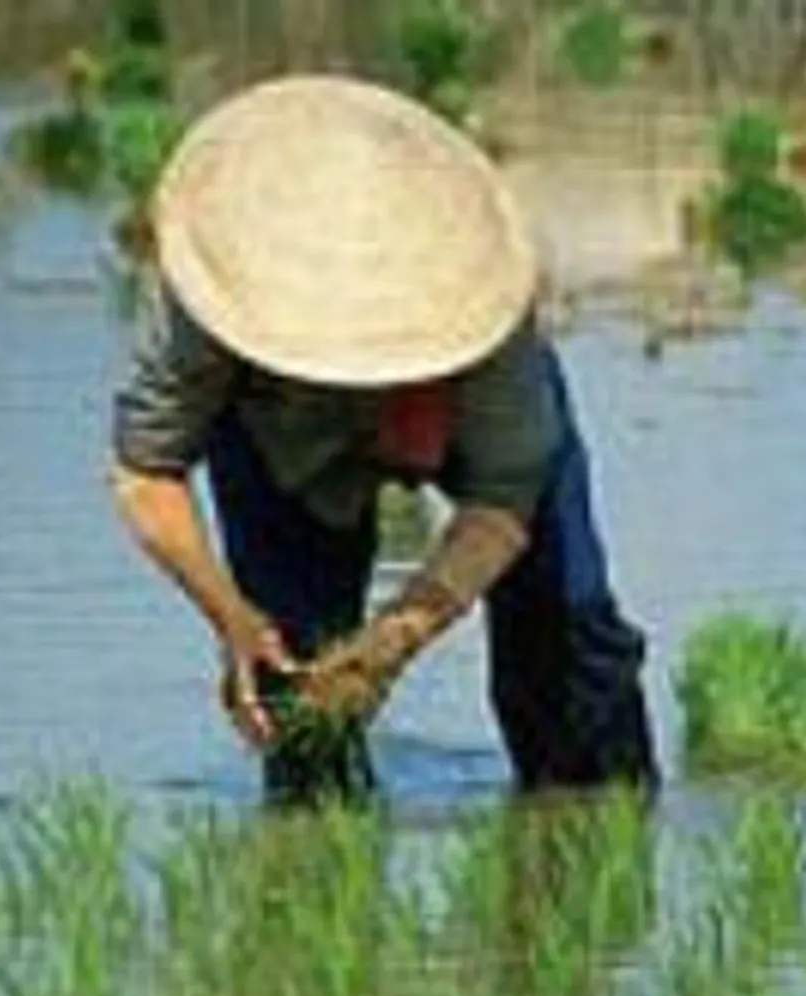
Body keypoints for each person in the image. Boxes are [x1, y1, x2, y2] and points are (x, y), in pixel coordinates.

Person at [108, 75, 655, 798]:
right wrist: (231, 618)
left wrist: (393, 641)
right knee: (292, 668)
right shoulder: (211, 301)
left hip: (459, 409)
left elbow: (502, 501)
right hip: (280, 440)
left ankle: (590, 831)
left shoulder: (488, 315)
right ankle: (314, 863)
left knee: (569, 627)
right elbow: (147, 471)